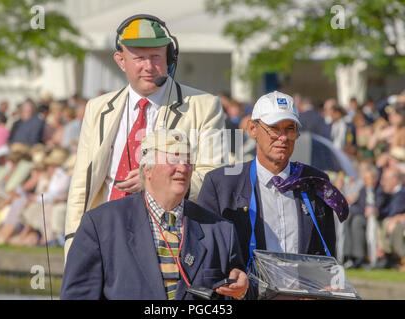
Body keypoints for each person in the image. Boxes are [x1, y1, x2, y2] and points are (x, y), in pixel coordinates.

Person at [64, 14, 227, 257]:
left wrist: (154, 185)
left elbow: (214, 178)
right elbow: (81, 185)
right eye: (139, 58)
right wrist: (73, 244)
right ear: (120, 60)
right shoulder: (96, 108)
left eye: (156, 57)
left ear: (170, 58)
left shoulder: (205, 106)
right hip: (102, 237)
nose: (149, 66)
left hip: (167, 241)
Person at [61, 130, 248, 300]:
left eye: (188, 161)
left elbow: (234, 292)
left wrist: (243, 290)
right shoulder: (101, 224)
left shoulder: (221, 230)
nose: (183, 168)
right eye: (173, 160)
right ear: (147, 169)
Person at [198, 91, 349, 268]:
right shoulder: (221, 184)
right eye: (274, 128)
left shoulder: (314, 181)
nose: (283, 137)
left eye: (290, 129)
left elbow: (327, 257)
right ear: (252, 129)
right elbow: (205, 254)